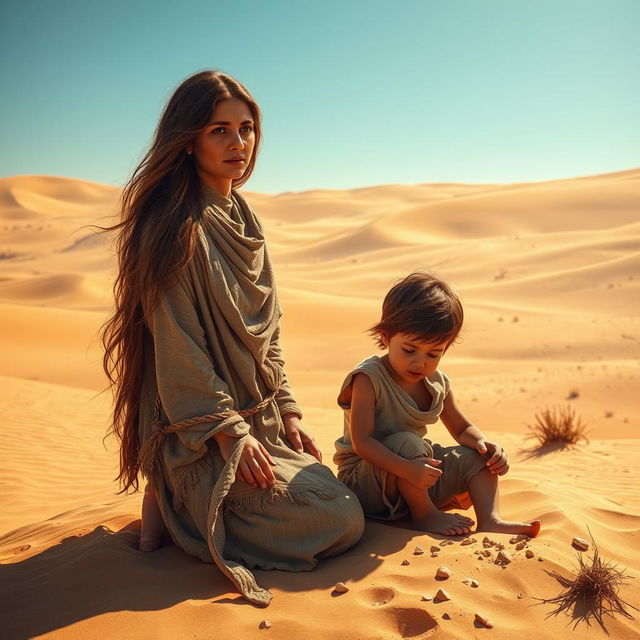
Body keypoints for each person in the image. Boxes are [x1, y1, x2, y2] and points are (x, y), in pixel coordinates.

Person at [101, 70, 364, 606]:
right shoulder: (173, 227)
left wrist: (287, 410)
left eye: (246, 129)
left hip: (260, 422)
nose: (238, 143)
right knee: (341, 520)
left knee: (343, 494)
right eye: (219, 130)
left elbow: (268, 333)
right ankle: (178, 502)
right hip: (202, 434)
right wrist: (227, 433)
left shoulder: (244, 217)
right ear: (189, 138)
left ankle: (180, 507)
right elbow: (180, 350)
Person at [333, 272, 541, 538]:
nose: (420, 362)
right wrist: (408, 468)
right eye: (409, 350)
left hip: (414, 475)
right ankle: (425, 516)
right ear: (385, 337)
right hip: (367, 482)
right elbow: (362, 443)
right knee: (408, 442)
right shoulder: (368, 378)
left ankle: (490, 519)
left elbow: (462, 427)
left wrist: (486, 445)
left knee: (475, 455)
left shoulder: (437, 382)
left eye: (434, 353)